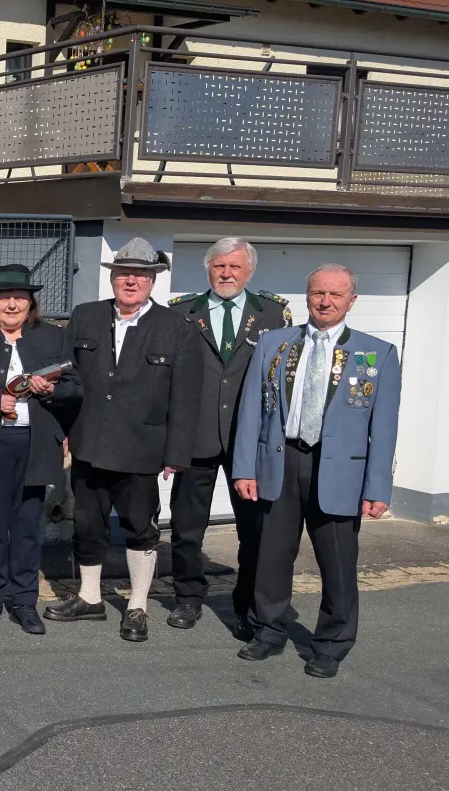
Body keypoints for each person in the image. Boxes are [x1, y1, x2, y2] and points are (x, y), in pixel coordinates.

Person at [232, 264, 399, 679]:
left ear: (351, 301)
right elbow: (251, 410)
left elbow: (384, 428)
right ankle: (268, 630)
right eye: (317, 293)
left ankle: (331, 643)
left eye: (335, 295)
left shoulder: (377, 353)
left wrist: (378, 486)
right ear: (306, 296)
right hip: (280, 462)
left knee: (338, 563)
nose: (325, 302)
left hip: (339, 471)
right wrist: (244, 469)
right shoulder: (273, 343)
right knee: (271, 556)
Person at [45, 238, 200, 643]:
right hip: (90, 443)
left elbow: (185, 398)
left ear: (152, 281)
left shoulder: (177, 328)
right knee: (87, 524)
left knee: (140, 529)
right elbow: (68, 378)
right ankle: (90, 597)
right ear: (113, 278)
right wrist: (65, 430)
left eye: (141, 275)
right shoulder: (86, 316)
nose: (131, 281)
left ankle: (137, 605)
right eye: (124, 273)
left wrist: (176, 453)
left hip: (142, 447)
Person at [166, 238, 290, 636]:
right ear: (208, 269)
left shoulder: (273, 313)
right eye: (219, 266)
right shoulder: (182, 311)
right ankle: (188, 597)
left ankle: (245, 604)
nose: (226, 273)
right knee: (186, 529)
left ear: (250, 271)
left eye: (235, 266)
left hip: (248, 442)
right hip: (194, 437)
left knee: (253, 530)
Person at [0, 265, 80, 634]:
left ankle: (25, 601)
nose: (11, 304)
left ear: (30, 302)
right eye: (4, 297)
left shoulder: (53, 337)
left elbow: (76, 387)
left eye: (19, 298)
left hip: (35, 442)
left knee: (28, 526)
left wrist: (51, 390)